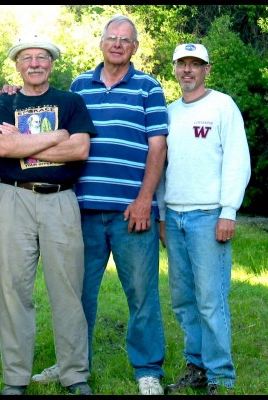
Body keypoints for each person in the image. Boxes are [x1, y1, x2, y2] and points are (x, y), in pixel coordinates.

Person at [30, 14, 169, 395]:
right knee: (77, 295)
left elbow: (158, 147)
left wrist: (144, 201)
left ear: (135, 48)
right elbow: (45, 125)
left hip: (132, 214)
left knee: (141, 294)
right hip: (82, 211)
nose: (118, 44)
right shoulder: (78, 87)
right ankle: (73, 365)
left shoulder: (148, 88)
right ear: (101, 43)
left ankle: (148, 370)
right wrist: (14, 93)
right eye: (112, 37)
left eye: (126, 39)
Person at [0, 33, 97, 396]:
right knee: (14, 290)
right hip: (13, 199)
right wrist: (57, 135)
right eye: (27, 58)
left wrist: (28, 142)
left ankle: (74, 374)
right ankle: (15, 378)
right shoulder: (3, 104)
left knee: (66, 288)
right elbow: (4, 146)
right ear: (17, 65)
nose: (34, 63)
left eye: (42, 57)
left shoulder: (70, 101)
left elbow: (79, 149)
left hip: (61, 201)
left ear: (52, 64)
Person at [157, 43, 251, 395]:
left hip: (209, 216)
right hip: (176, 216)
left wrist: (229, 211)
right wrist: (163, 216)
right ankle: (196, 366)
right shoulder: (169, 112)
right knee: (183, 299)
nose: (188, 70)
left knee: (211, 300)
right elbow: (163, 168)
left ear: (207, 70)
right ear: (175, 68)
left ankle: (220, 376)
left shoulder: (222, 106)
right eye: (182, 64)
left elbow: (237, 161)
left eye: (196, 64)